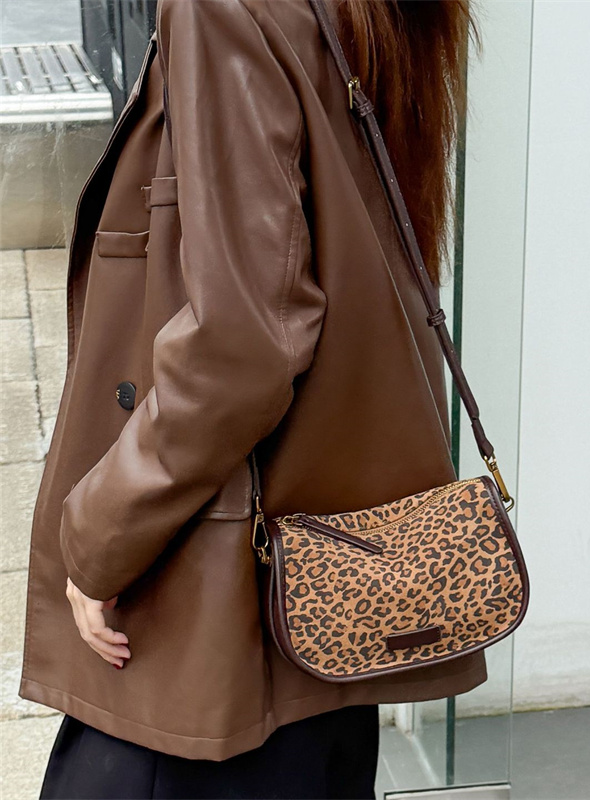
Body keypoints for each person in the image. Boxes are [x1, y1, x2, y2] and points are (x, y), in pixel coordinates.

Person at [18, 0, 486, 797]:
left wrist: (99, 536)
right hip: (312, 608)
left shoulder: (222, 8)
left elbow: (243, 341)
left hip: (220, 616)